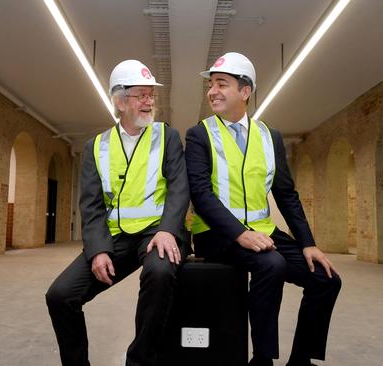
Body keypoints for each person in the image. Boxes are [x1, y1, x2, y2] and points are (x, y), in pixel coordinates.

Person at [185, 52, 341, 366]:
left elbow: (286, 194)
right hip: (216, 235)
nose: (212, 91)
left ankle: (301, 359)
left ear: (245, 92)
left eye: (222, 84)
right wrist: (240, 234)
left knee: (326, 279)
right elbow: (201, 195)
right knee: (271, 265)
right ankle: (263, 358)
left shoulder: (270, 137)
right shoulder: (200, 134)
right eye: (211, 84)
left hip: (264, 232)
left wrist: (308, 243)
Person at [46, 59, 189, 366]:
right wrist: (98, 251)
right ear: (121, 101)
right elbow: (92, 206)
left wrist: (168, 230)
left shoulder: (167, 137)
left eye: (151, 94)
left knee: (161, 272)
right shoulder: (96, 147)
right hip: (116, 237)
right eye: (141, 95)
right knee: (60, 296)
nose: (149, 101)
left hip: (157, 233)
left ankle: (139, 360)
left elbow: (179, 189)